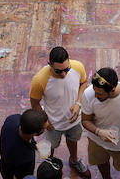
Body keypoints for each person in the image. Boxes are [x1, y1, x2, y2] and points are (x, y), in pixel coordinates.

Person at [28, 47, 91, 178]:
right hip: (53, 124)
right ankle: (50, 169)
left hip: (74, 120)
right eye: (58, 71)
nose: (64, 74)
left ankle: (74, 161)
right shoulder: (39, 80)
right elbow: (34, 103)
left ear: (69, 61)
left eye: (66, 69)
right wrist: (45, 122)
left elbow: (84, 83)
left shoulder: (78, 67)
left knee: (73, 141)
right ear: (49, 64)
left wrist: (78, 103)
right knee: (50, 147)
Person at [0, 109, 49, 179]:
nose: (47, 127)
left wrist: (34, 145)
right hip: (11, 172)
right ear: (34, 133)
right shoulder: (26, 158)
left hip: (4, 163)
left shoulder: (12, 119)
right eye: (44, 128)